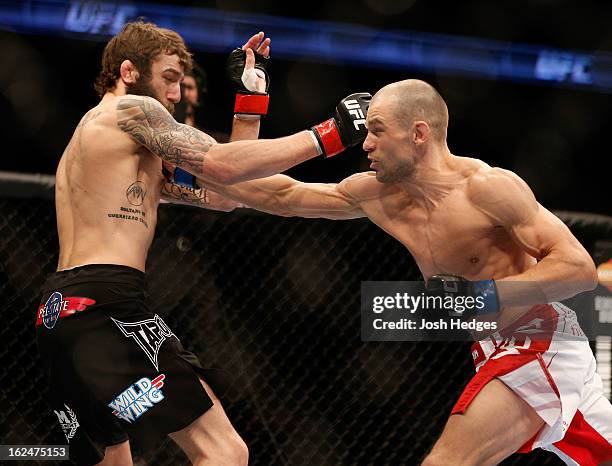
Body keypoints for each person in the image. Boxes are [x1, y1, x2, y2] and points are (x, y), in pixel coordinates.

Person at [195, 79, 612, 465]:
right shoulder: (378, 195)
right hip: (491, 347)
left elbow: (577, 270)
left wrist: (483, 294)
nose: (366, 144)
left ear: (418, 134)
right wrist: (190, 155)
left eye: (377, 130)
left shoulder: (488, 188)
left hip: (537, 340)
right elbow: (279, 195)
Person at [35, 20, 369, 466]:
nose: (175, 96)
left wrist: (250, 102)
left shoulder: (106, 143)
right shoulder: (130, 111)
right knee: (224, 452)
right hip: (107, 305)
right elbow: (224, 167)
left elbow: (224, 192)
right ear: (130, 72)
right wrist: (330, 135)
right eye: (169, 79)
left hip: (60, 313)